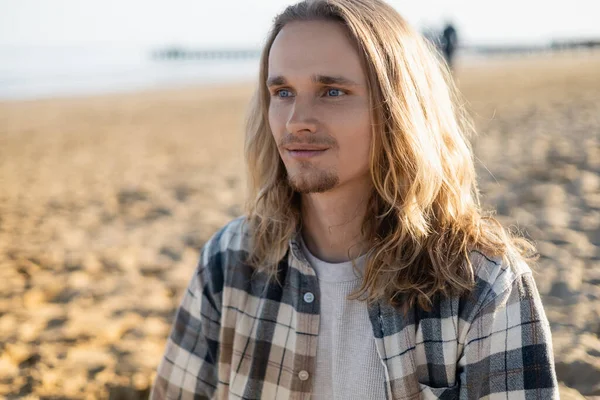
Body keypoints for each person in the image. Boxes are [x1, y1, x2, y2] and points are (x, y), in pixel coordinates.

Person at [150, 0, 558, 398]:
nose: (297, 122)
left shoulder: (483, 284)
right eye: (284, 92)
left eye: (332, 91)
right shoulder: (229, 261)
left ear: (398, 108)